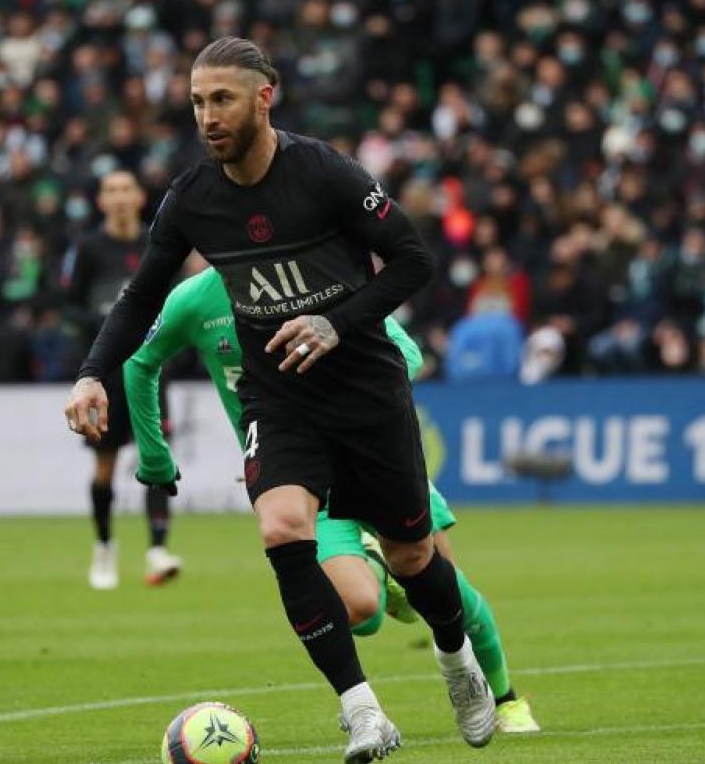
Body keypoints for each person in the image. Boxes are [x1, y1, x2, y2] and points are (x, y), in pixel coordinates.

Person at [64, 38, 496, 761]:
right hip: (280, 396)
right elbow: (141, 296)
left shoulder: (323, 173)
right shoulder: (192, 200)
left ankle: (458, 662)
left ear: (266, 97)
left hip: (364, 386)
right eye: (198, 101)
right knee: (281, 529)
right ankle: (364, 712)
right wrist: (90, 374)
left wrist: (336, 320)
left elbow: (415, 259)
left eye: (222, 98)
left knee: (412, 554)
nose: (207, 116)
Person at [124, 267, 541, 733]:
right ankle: (376, 571)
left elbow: (408, 350)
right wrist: (155, 457)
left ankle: (503, 699)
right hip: (299, 477)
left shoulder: (315, 272)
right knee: (361, 610)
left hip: (375, 454)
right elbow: (139, 361)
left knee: (449, 587)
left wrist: (357, 389)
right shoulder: (195, 301)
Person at [64, 169, 180, 589]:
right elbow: (69, 306)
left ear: (138, 197)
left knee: (156, 454)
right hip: (107, 372)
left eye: (125, 189)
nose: (118, 197)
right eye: (110, 190)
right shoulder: (89, 248)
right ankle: (104, 547)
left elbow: (176, 295)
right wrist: (110, 323)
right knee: (105, 465)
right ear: (100, 200)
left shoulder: (159, 239)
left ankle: (158, 549)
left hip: (150, 365)